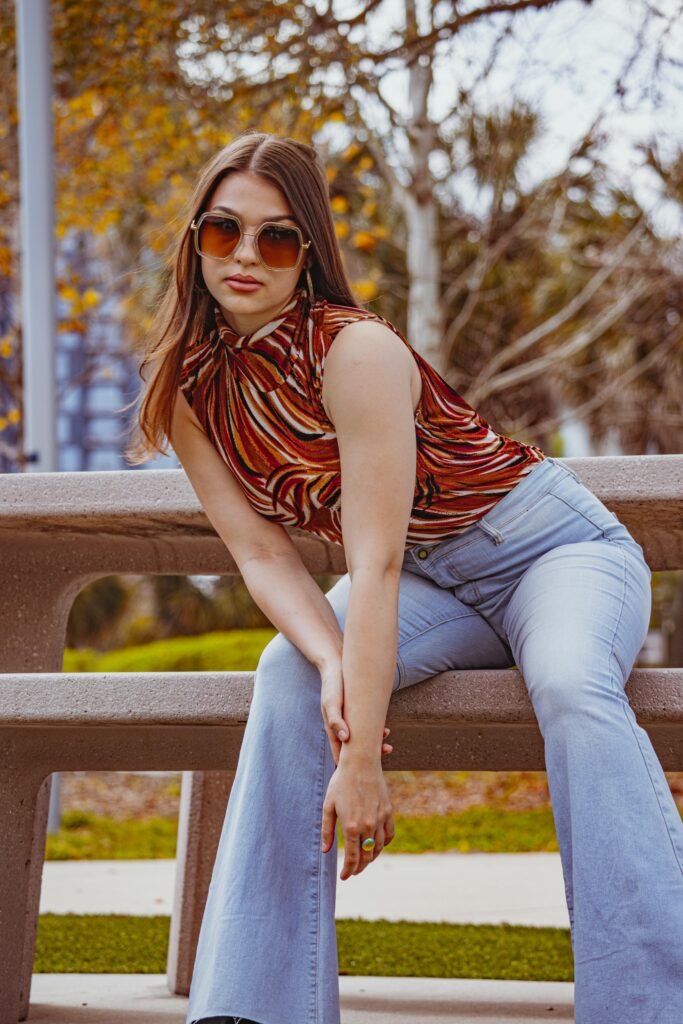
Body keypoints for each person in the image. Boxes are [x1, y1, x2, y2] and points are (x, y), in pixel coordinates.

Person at [126, 131, 683, 1024]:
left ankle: (650, 1006)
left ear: (308, 253)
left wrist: (361, 755)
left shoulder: (355, 351)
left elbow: (371, 560)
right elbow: (264, 554)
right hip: (435, 583)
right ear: (194, 238)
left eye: (274, 238)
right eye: (223, 229)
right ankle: (256, 1008)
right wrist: (329, 661)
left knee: (573, 686)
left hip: (551, 554)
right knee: (284, 672)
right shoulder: (185, 385)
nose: (242, 255)